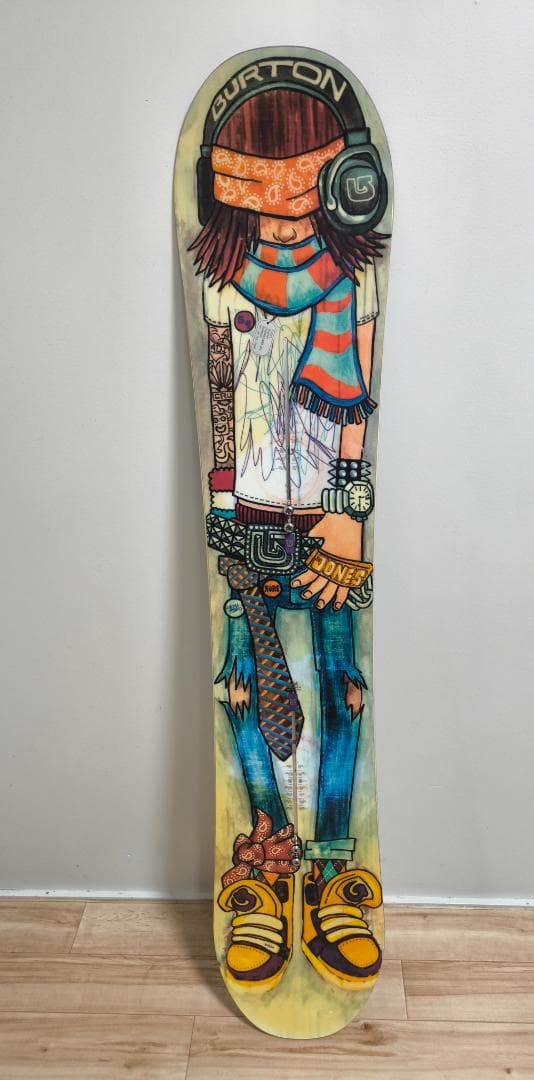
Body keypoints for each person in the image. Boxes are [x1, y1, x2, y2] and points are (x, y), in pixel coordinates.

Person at [190, 84, 385, 991]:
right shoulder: (221, 289)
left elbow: (357, 410)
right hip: (248, 522)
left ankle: (335, 863)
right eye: (259, 203)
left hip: (328, 525)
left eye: (299, 199)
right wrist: (224, 506)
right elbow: (218, 401)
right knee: (242, 694)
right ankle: (267, 863)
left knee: (343, 690)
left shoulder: (349, 288)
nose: (281, 225)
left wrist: (348, 512)